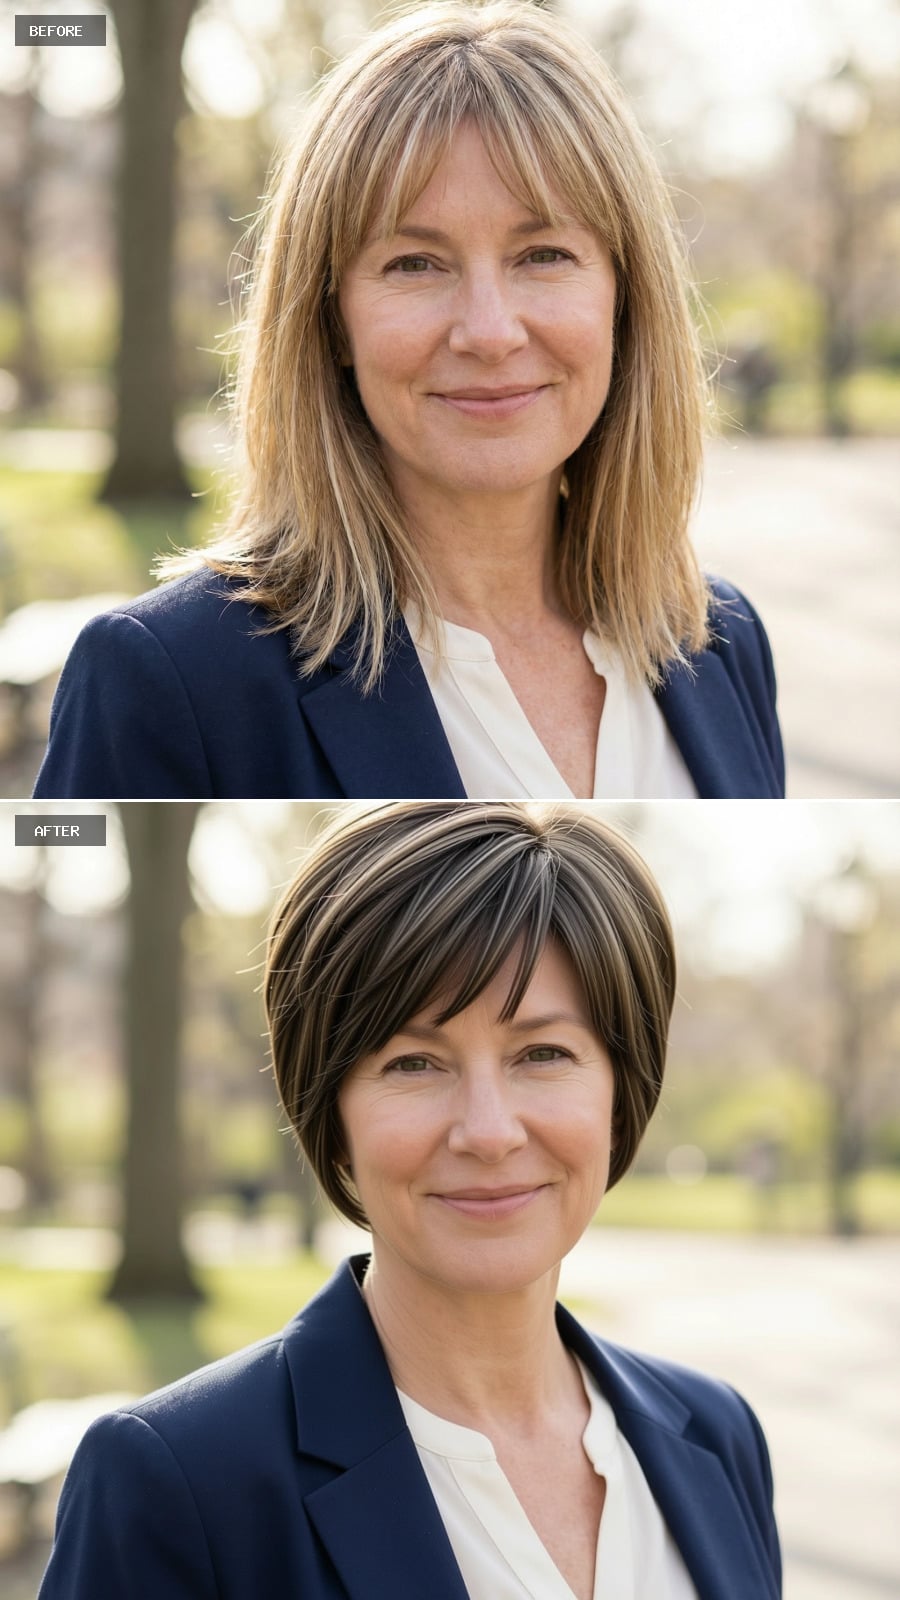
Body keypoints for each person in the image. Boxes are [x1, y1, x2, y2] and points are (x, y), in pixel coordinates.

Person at [34, 1, 783, 801]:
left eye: (544, 254)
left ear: (625, 299)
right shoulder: (168, 677)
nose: (490, 332)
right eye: (415, 264)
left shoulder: (721, 640)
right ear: (330, 318)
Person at [40, 801, 782, 1600]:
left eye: (543, 1053)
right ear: (330, 1112)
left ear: (619, 1091)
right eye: (413, 1064)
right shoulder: (178, 1482)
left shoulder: (716, 1435)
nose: (489, 1132)